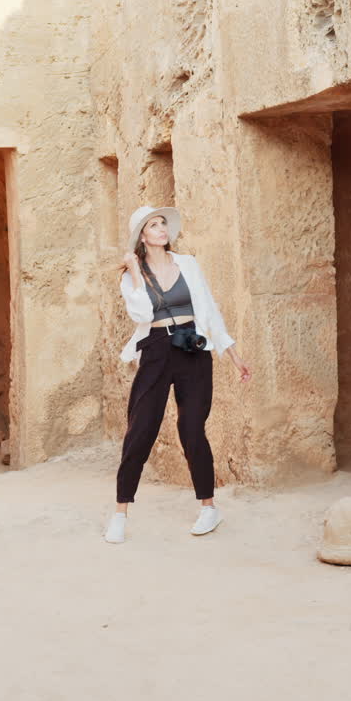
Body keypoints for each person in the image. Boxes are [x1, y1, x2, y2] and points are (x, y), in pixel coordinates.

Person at [105, 205, 251, 544]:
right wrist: (136, 272)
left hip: (193, 348)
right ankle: (120, 513)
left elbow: (210, 310)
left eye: (162, 224)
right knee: (140, 429)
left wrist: (233, 355)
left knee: (191, 427)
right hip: (156, 350)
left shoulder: (188, 264)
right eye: (153, 226)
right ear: (142, 236)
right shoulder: (131, 275)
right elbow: (141, 312)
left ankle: (209, 507)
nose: (161, 229)